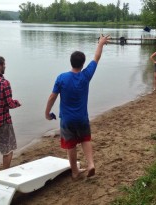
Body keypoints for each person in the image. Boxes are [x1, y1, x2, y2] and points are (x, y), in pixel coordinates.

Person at [45, 34, 110, 180]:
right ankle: (91, 164)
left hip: (67, 120)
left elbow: (52, 97)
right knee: (86, 139)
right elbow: (96, 58)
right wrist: (100, 43)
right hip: (82, 118)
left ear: (71, 62)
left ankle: (75, 171)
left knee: (71, 145)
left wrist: (47, 113)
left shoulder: (61, 78)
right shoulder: (86, 75)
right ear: (82, 64)